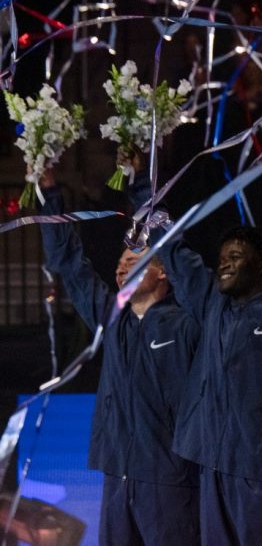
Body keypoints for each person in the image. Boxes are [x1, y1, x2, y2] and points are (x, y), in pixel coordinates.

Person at [37, 169, 200, 546]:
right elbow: (70, 265)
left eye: (137, 259)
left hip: (168, 475)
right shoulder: (113, 320)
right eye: (121, 261)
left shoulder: (189, 322)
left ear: (165, 275)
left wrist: (142, 180)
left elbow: (173, 244)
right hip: (117, 474)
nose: (123, 265)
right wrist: (49, 194)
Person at [154, 204, 262, 545]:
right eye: (222, 257)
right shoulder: (213, 307)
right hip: (211, 467)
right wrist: (144, 186)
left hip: (260, 474)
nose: (223, 263)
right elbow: (175, 252)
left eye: (235, 256)